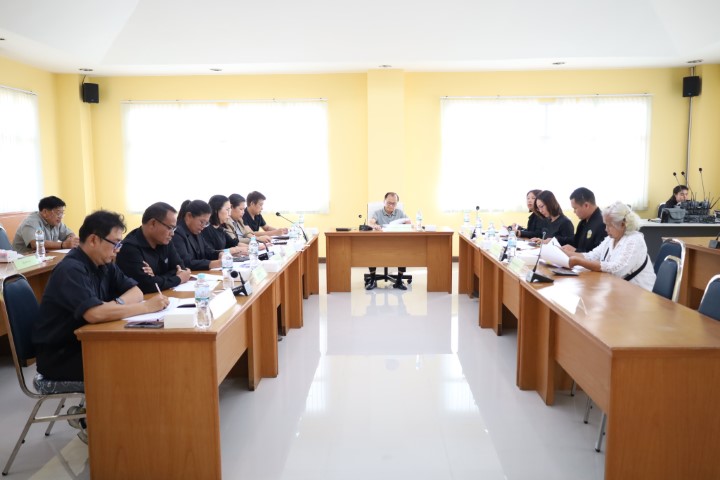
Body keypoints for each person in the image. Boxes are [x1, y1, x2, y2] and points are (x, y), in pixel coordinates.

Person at [33, 210, 169, 382]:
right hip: (62, 355)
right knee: (139, 364)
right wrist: (146, 307)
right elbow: (94, 314)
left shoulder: (104, 263)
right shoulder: (71, 270)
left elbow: (137, 292)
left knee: (147, 355)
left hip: (89, 342)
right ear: (93, 240)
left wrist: (112, 306)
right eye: (115, 244)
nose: (117, 250)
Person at [566, 201, 656, 290]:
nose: (606, 229)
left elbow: (617, 270)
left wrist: (579, 262)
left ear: (623, 224)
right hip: (617, 288)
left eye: (609, 225)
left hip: (638, 291)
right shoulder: (611, 239)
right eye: (605, 225)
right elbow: (592, 256)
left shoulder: (635, 240)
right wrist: (564, 253)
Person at [115, 202, 192, 293]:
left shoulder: (165, 241)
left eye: (174, 229)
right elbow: (146, 285)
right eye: (170, 228)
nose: (172, 234)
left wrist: (155, 277)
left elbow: (180, 268)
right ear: (153, 223)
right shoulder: (129, 248)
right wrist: (178, 279)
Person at [366, 192, 411, 291]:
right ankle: (372, 280)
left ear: (396, 203)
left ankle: (399, 281)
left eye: (394, 203)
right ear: (384, 202)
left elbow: (409, 222)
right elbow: (370, 222)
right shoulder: (377, 212)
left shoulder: (399, 212)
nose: (391, 205)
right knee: (371, 251)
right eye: (389, 203)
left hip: (396, 242)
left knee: (403, 251)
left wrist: (408, 223)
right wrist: (374, 226)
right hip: (380, 242)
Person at [12, 196, 80, 254]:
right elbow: (35, 244)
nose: (61, 216)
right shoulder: (31, 222)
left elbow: (70, 234)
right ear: (45, 212)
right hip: (24, 261)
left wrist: (71, 241)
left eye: (62, 213)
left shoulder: (55, 222)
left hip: (45, 257)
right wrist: (63, 245)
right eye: (58, 213)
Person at [172, 199, 223, 270]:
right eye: (202, 222)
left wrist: (220, 254)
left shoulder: (197, 231)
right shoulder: (177, 233)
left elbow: (208, 251)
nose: (203, 226)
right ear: (189, 216)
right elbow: (185, 262)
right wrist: (215, 263)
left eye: (206, 223)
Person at [559, 187, 608, 253]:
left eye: (575, 208)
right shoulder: (583, 222)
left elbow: (598, 255)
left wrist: (576, 251)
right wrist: (555, 240)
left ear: (586, 205)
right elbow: (575, 241)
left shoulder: (603, 223)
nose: (574, 212)